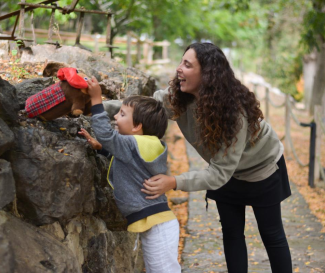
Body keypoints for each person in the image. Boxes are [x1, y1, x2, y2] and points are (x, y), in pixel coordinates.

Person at [141, 42, 293, 273]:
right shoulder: (181, 98)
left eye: (187, 64)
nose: (179, 69)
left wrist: (174, 182)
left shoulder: (234, 114)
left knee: (271, 234)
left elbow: (219, 174)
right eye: (181, 62)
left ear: (207, 74)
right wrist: (97, 107)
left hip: (262, 169)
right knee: (232, 233)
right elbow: (140, 109)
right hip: (224, 169)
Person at [79, 77, 181, 273]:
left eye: (122, 114)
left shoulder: (134, 143)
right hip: (157, 223)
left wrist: (96, 101)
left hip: (157, 226)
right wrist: (102, 149)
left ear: (137, 127)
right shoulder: (145, 144)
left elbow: (107, 135)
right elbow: (129, 162)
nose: (116, 117)